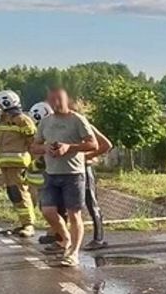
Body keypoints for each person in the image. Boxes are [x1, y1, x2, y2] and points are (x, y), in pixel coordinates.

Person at [32, 88, 98, 267]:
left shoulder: (77, 120)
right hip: (51, 173)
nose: (56, 103)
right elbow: (34, 146)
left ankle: (74, 252)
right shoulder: (45, 122)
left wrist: (69, 147)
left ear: (67, 100)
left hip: (73, 174)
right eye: (52, 100)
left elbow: (93, 144)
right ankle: (66, 238)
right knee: (48, 211)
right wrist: (46, 148)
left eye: (59, 99)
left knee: (74, 214)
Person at [0, 89, 37, 237]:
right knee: (14, 194)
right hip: (7, 165)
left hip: (18, 164)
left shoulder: (23, 120)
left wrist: (35, 162)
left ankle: (29, 224)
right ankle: (22, 222)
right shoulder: (5, 121)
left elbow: (33, 142)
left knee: (21, 193)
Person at [80, 111, 113, 251]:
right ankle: (61, 239)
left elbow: (106, 145)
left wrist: (88, 156)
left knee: (91, 201)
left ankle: (98, 238)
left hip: (84, 169)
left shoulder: (87, 126)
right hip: (65, 170)